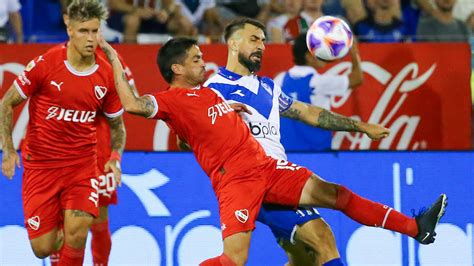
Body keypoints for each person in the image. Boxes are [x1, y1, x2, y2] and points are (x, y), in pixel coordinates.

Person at [98, 34, 447, 266]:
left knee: (334, 194)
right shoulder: (169, 99)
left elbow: (189, 135)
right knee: (234, 260)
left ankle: (416, 228)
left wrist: (222, 118)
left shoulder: (207, 93)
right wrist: (113, 58)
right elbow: (131, 104)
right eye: (195, 59)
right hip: (236, 182)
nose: (203, 63)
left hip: (266, 167)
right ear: (176, 68)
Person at [204, 19, 358, 265]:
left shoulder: (274, 83)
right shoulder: (214, 88)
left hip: (278, 172)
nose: (262, 46)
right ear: (233, 44)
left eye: (264, 41)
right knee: (322, 239)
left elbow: (304, 111)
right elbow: (190, 138)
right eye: (254, 39)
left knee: (302, 257)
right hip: (256, 181)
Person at [0, 1, 125, 265]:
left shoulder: (106, 73)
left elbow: (118, 125)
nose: (91, 38)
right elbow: (6, 103)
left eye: (95, 31)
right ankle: (56, 228)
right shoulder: (46, 64)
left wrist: (114, 157)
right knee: (42, 248)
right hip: (42, 167)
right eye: (83, 31)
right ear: (69, 29)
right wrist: (8, 150)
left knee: (78, 234)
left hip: (82, 166)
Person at [272, 33, 362, 151]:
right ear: (309, 56)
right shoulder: (318, 82)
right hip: (317, 153)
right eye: (320, 51)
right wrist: (354, 54)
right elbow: (357, 79)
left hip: (286, 153)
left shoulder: (280, 79)